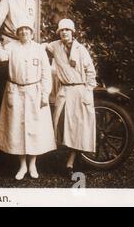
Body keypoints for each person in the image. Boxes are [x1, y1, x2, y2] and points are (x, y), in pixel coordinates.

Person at [0, 19, 56, 180]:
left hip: (34, 92)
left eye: (27, 30)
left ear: (32, 33)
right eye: (21, 31)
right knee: (18, 129)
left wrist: (44, 94)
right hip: (15, 91)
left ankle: (33, 165)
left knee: (35, 129)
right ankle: (22, 165)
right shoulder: (12, 47)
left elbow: (46, 74)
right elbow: (1, 57)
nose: (24, 33)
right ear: (17, 33)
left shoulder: (38, 49)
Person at [45, 18, 97, 176]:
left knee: (78, 127)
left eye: (67, 30)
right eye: (62, 31)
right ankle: (68, 157)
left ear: (73, 32)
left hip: (80, 90)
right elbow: (40, 47)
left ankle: (71, 162)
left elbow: (91, 72)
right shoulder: (55, 46)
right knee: (60, 125)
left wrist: (88, 91)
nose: (64, 33)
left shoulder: (81, 50)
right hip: (64, 92)